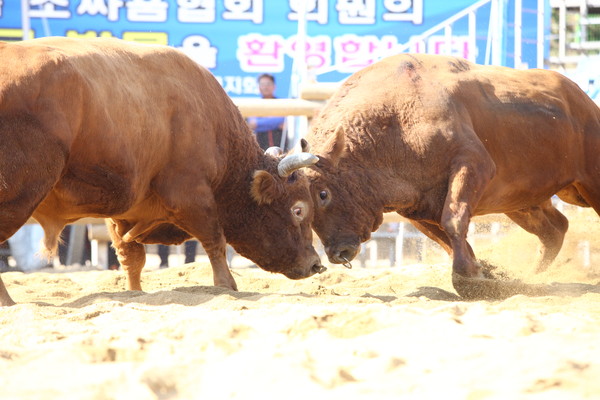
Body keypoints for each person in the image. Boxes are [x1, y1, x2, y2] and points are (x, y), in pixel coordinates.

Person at [246, 73, 286, 150]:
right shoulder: (254, 105)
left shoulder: (281, 103)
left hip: (281, 149)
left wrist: (258, 123)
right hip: (261, 150)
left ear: (274, 86)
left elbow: (282, 121)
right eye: (262, 84)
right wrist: (275, 122)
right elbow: (252, 124)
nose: (265, 87)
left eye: (268, 84)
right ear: (259, 87)